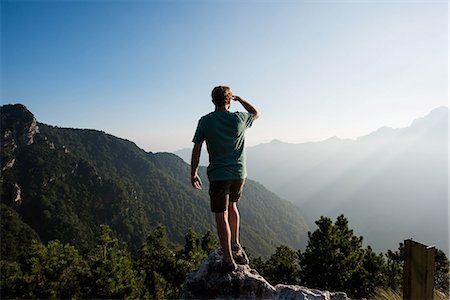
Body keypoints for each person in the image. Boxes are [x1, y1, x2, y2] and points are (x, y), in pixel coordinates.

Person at [191, 85, 260, 272]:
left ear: (213, 100)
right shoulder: (239, 118)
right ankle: (236, 243)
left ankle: (228, 260)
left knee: (221, 214)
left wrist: (194, 172)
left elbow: (197, 148)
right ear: (229, 100)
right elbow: (256, 112)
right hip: (239, 173)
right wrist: (240, 99)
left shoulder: (205, 121)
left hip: (218, 175)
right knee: (233, 207)